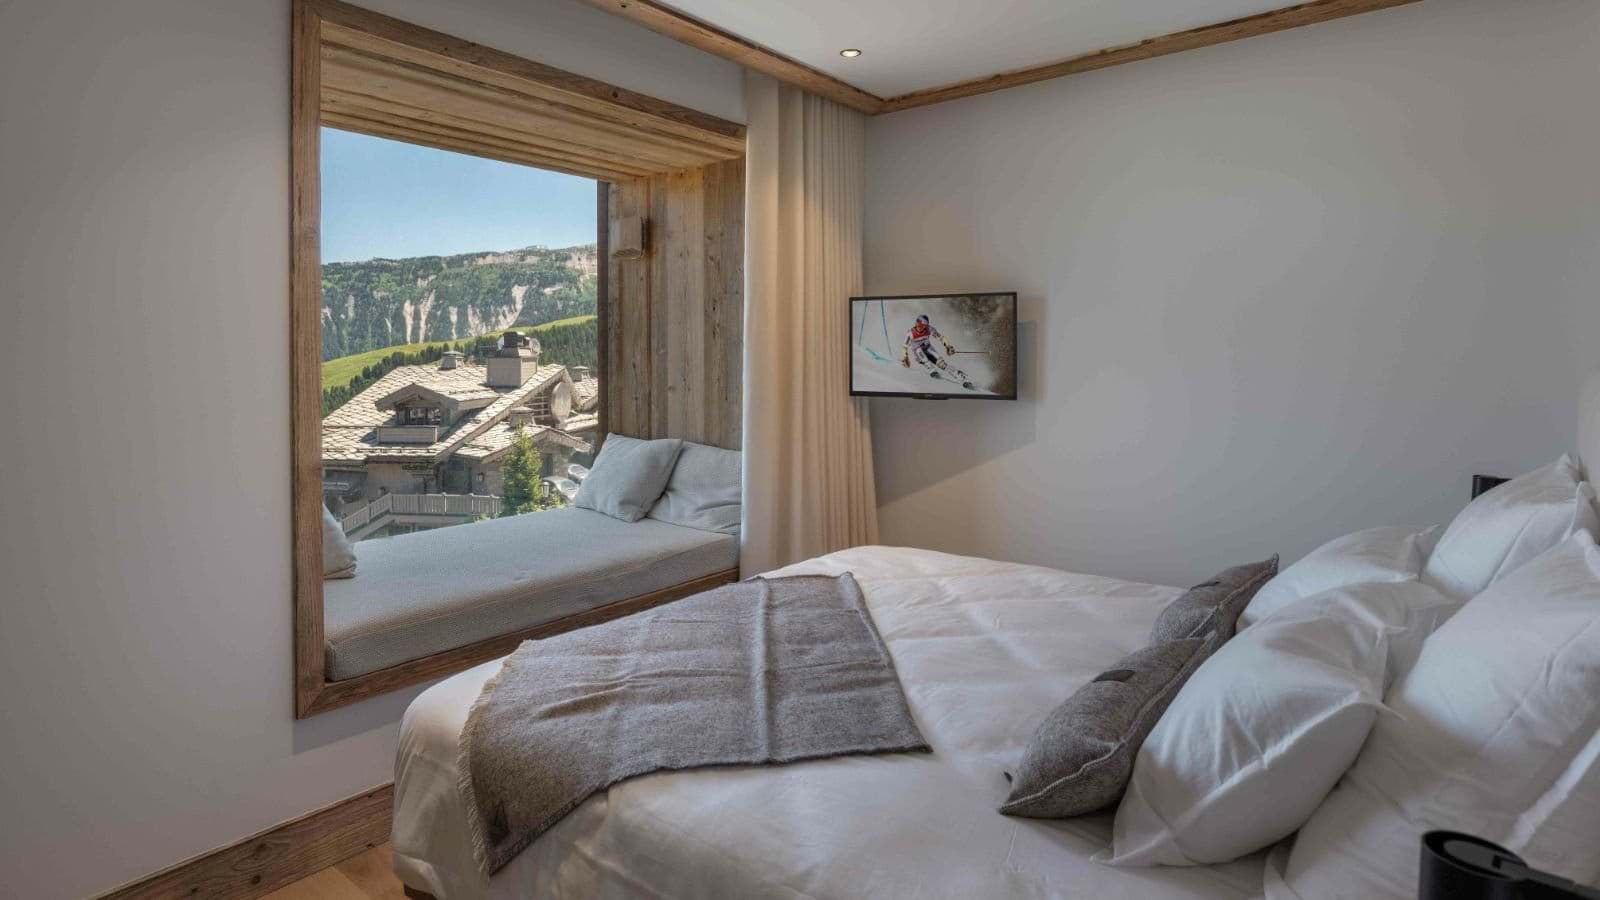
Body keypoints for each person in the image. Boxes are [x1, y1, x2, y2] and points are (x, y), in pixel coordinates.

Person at [900, 314, 974, 389]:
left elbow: (941, 338)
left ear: (925, 326)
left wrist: (948, 346)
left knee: (942, 364)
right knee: (919, 352)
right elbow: (904, 347)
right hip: (918, 353)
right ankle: (931, 369)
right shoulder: (910, 333)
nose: (919, 328)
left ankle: (963, 378)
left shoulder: (929, 329)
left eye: (922, 326)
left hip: (928, 348)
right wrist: (905, 358)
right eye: (917, 325)